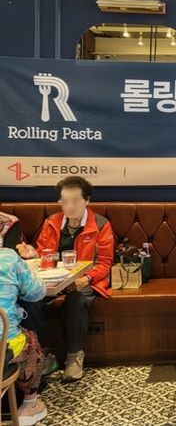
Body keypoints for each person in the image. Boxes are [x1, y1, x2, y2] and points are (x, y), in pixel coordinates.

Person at [16, 176, 114, 382]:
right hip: (53, 282)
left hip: (85, 281)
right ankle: (44, 354)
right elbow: (44, 256)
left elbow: (104, 264)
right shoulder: (52, 222)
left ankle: (74, 356)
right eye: (65, 201)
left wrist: (86, 279)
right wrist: (33, 254)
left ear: (86, 200)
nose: (70, 206)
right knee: (27, 300)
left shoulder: (100, 225)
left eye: (75, 201)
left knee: (75, 300)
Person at [0, 248, 48, 425]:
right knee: (30, 341)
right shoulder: (8, 257)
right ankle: (30, 404)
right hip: (4, 346)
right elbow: (37, 292)